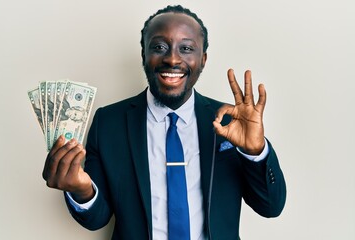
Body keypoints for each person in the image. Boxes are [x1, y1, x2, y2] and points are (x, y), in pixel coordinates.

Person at [42, 5, 286, 240]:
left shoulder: (231, 123)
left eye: (186, 49)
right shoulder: (109, 123)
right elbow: (97, 219)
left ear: (203, 59)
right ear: (144, 55)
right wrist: (81, 190)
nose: (172, 59)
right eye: (159, 46)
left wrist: (255, 152)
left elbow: (271, 207)